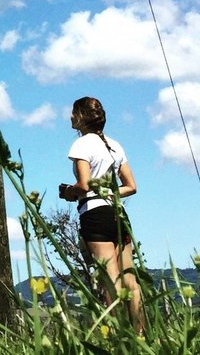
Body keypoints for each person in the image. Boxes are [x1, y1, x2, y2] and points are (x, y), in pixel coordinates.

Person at [59, 96, 143, 331]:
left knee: (110, 279)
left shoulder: (82, 144)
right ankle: (142, 334)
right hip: (118, 212)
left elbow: (84, 185)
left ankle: (119, 336)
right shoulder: (116, 145)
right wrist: (108, 190)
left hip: (95, 213)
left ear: (82, 118)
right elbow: (131, 186)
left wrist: (68, 192)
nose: (70, 117)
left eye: (73, 112)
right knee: (130, 280)